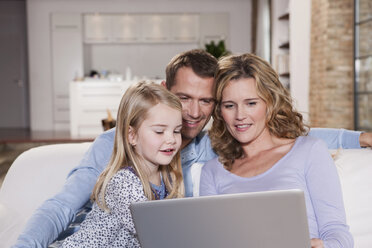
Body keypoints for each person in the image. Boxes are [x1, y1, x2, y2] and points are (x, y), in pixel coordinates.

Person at [14, 49, 370, 247]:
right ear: (165, 90)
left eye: (206, 101)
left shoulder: (213, 146)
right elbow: (61, 207)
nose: (194, 113)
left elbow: (289, 139)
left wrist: (355, 138)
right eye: (183, 98)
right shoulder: (119, 145)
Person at [199, 53, 353, 248]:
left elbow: (337, 233)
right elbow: (211, 241)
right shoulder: (212, 171)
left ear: (270, 103)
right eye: (229, 106)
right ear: (220, 111)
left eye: (251, 103)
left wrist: (322, 246)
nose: (240, 115)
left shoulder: (309, 151)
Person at [61, 81, 184, 247]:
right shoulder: (124, 182)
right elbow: (155, 235)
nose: (171, 139)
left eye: (177, 131)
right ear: (131, 135)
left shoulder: (167, 177)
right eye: (159, 131)